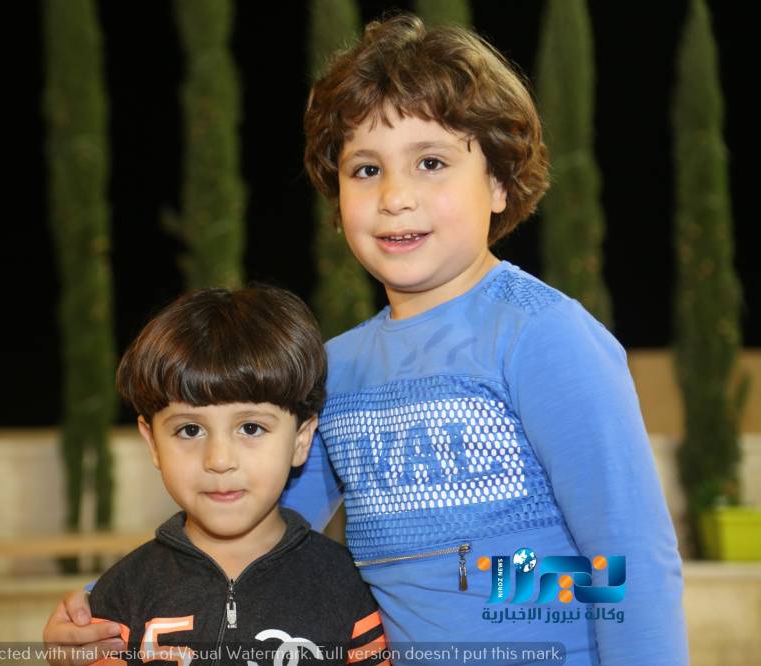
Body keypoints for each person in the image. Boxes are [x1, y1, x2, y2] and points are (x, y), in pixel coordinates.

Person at [46, 14, 688, 665]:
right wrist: (103, 608)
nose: (395, 196)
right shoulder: (338, 368)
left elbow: (629, 555)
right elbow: (249, 522)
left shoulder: (544, 337)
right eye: (365, 169)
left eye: (431, 162)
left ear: (498, 182)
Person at [44, 286, 390, 666]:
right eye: (190, 430)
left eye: (251, 428)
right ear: (153, 442)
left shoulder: (347, 588)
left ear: (301, 439)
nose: (219, 460)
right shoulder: (118, 599)